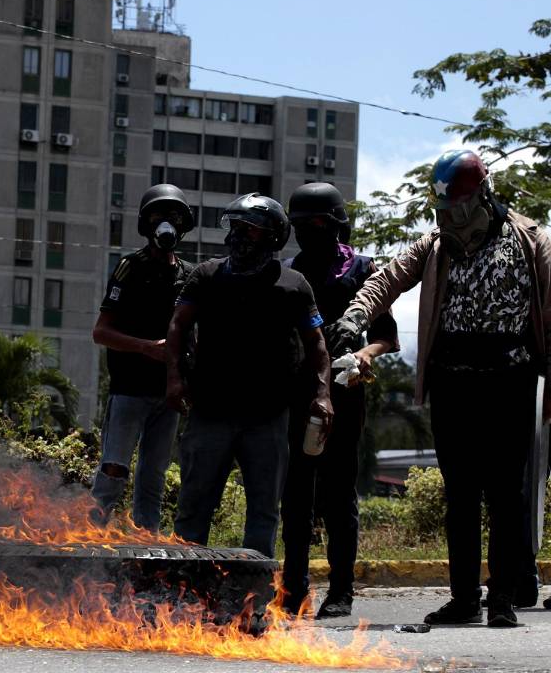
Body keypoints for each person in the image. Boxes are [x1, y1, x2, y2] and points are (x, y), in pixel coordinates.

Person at [329, 149, 551, 629]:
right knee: (462, 493)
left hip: (510, 382)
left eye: (457, 209)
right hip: (453, 383)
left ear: (482, 197)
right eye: (442, 210)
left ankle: (504, 599)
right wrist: (354, 318)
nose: (448, 218)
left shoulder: (533, 241)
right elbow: (385, 279)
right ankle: (465, 598)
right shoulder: (434, 245)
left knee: (507, 494)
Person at [166, 193, 332, 558]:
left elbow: (317, 345)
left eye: (250, 230)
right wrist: (174, 378)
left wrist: (323, 394)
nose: (238, 236)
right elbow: (178, 326)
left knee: (263, 512)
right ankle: (183, 597)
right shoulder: (205, 275)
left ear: (273, 237)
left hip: (268, 418)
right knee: (193, 507)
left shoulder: (293, 285)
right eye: (235, 227)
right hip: (210, 412)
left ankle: (252, 601)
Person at [279, 183, 399, 617]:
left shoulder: (362, 270)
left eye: (319, 224)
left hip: (345, 395)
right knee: (294, 496)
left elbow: (388, 338)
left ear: (336, 225)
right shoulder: (288, 271)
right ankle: (293, 589)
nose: (312, 231)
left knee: (338, 495)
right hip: (296, 394)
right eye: (303, 225)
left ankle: (341, 591)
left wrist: (364, 354)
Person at [89, 184, 195, 532]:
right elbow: (100, 332)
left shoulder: (189, 275)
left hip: (169, 394)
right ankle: (91, 539)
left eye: (174, 217)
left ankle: (147, 547)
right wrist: (146, 346)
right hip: (129, 390)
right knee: (114, 470)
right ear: (146, 223)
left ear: (185, 224)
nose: (166, 224)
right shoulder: (129, 268)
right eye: (158, 216)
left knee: (153, 476)